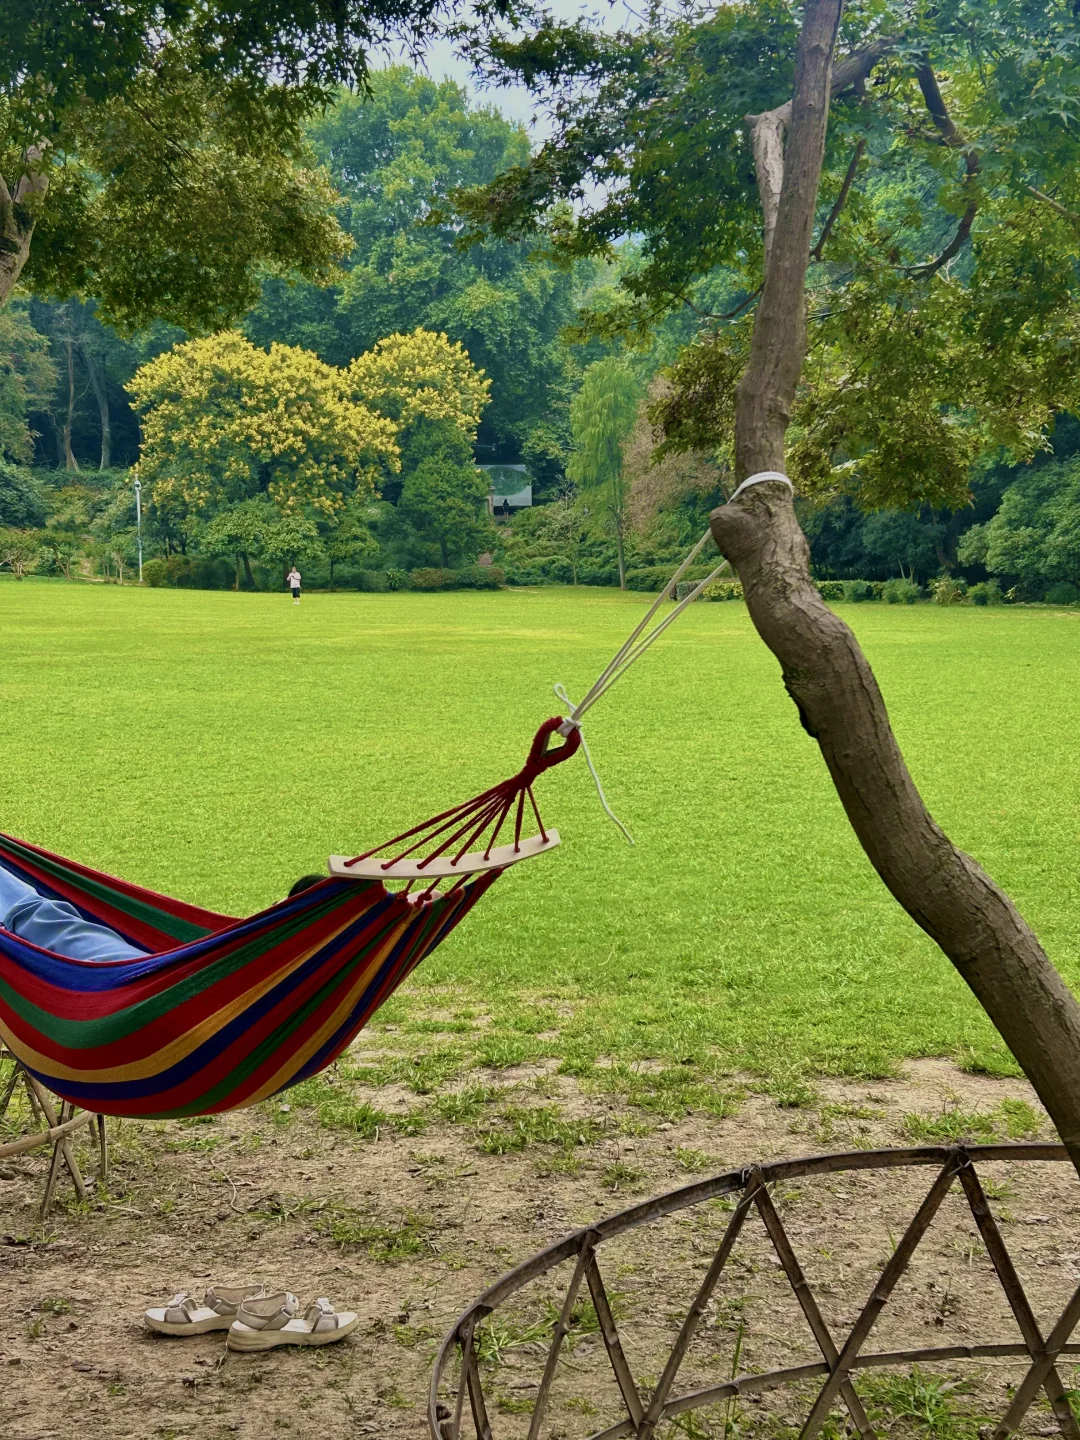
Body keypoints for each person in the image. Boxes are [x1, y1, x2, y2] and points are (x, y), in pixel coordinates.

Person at [0, 865, 328, 962]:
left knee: (36, 915)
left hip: (138, 980)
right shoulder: (287, 966)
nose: (272, 906)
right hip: (156, 974)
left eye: (281, 905)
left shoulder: (260, 953)